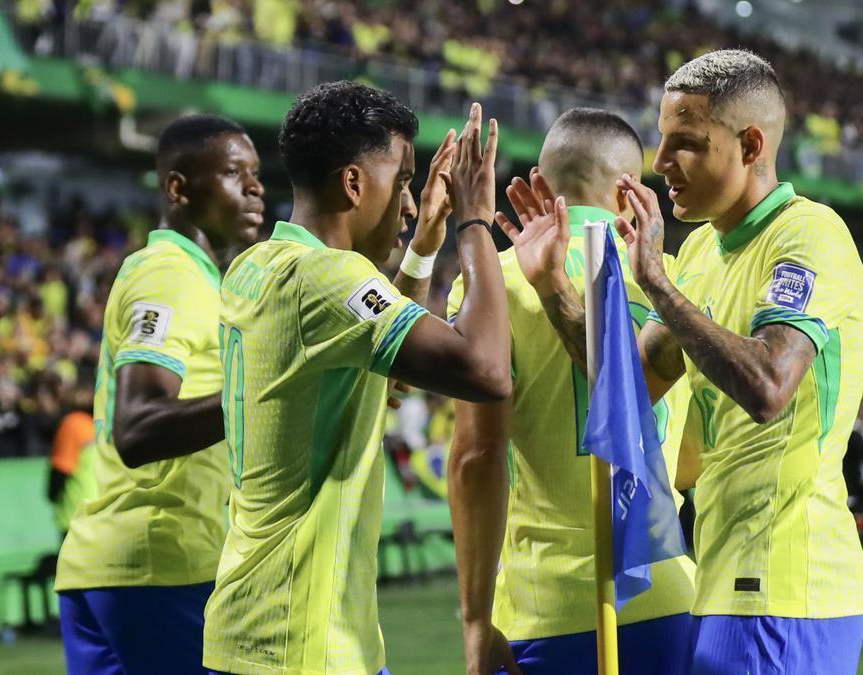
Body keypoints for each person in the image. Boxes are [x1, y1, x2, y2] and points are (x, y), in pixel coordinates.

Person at [498, 50, 863, 674]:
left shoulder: (808, 235)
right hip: (724, 579)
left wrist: (658, 287)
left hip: (788, 581)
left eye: (687, 143)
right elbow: (628, 387)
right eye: (663, 140)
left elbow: (770, 385)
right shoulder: (700, 251)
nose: (661, 163)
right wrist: (552, 289)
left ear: (751, 144)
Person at [202, 86, 511, 675]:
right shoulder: (325, 278)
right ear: (352, 184)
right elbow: (487, 370)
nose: (412, 203)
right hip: (302, 644)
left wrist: (422, 250)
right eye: (404, 181)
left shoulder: (257, 266)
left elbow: (385, 373)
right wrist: (475, 219)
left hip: (257, 629)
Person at [446, 108, 696, 675]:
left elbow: (476, 458)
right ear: (632, 192)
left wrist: (476, 621)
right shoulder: (674, 277)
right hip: (668, 591)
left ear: (538, 185)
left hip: (552, 608)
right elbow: (691, 458)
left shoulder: (499, 280)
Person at [55, 113, 265, 675]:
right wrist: (268, 393)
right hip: (160, 562)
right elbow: (139, 426)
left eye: (256, 174)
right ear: (178, 188)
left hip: (110, 568)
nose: (255, 187)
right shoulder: (169, 275)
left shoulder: (197, 278)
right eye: (232, 172)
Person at [47, 382, 97, 540]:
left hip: (77, 509)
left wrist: (51, 494)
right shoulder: (99, 425)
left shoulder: (73, 424)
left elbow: (62, 467)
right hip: (99, 509)